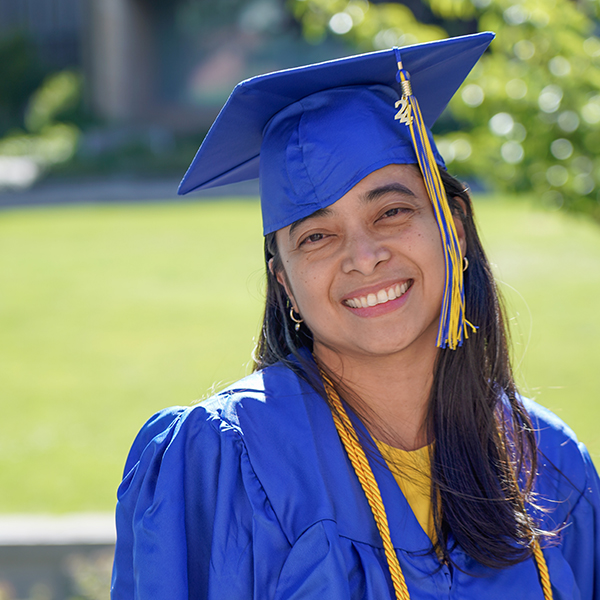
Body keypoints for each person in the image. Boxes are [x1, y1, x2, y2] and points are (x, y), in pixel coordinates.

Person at [111, 32, 600, 599]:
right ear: (284, 284)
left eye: (391, 211)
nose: (363, 257)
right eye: (317, 236)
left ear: (454, 228)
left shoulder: (550, 464)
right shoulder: (225, 461)